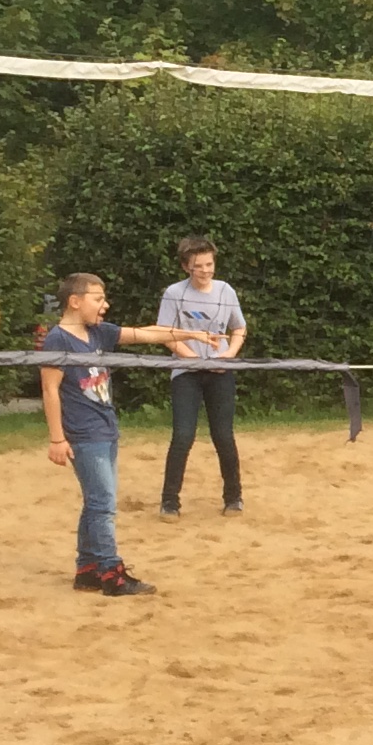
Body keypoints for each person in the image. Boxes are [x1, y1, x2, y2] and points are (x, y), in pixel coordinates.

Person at [37, 273, 208, 598]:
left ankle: (87, 570)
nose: (105, 305)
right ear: (75, 301)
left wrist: (191, 333)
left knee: (96, 502)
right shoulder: (58, 340)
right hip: (84, 434)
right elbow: (49, 389)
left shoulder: (99, 333)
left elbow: (146, 333)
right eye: (98, 299)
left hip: (106, 428)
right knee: (103, 504)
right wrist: (57, 439)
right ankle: (111, 574)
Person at [156, 235, 247, 517]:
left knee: (223, 435)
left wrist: (228, 355)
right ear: (186, 266)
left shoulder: (225, 291)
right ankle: (170, 502)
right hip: (186, 373)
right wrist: (192, 359)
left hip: (220, 372)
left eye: (209, 264)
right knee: (183, 435)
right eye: (199, 266)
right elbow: (166, 334)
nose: (206, 270)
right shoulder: (174, 293)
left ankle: (233, 498)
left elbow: (239, 329)